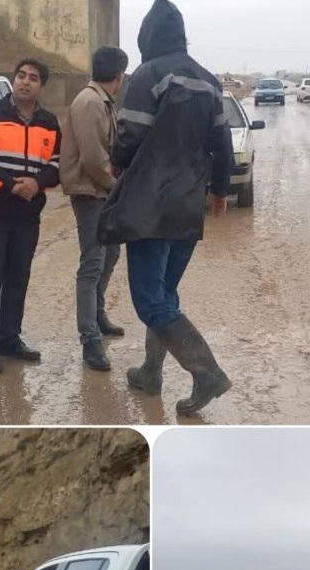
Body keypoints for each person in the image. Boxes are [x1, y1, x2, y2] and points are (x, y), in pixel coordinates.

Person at [101, 0, 234, 416]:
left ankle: (207, 372)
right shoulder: (208, 80)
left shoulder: (149, 74)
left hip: (150, 205)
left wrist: (116, 159)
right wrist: (219, 190)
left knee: (149, 300)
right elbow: (222, 142)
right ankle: (150, 372)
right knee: (166, 293)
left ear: (148, 38)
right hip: (187, 204)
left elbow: (130, 135)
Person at [0, 59, 62, 374]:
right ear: (13, 79)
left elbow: (56, 165)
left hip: (26, 217)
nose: (25, 82)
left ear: (40, 86)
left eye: (33, 78)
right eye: (20, 75)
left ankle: (9, 339)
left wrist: (37, 183)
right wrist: (12, 184)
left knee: (17, 280)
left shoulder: (49, 122)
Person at [61, 46, 130, 371]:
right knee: (92, 264)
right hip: (91, 193)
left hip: (101, 192)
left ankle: (98, 315)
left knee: (111, 254)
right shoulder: (89, 102)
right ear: (119, 75)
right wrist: (119, 189)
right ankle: (90, 340)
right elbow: (92, 158)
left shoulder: (102, 100)